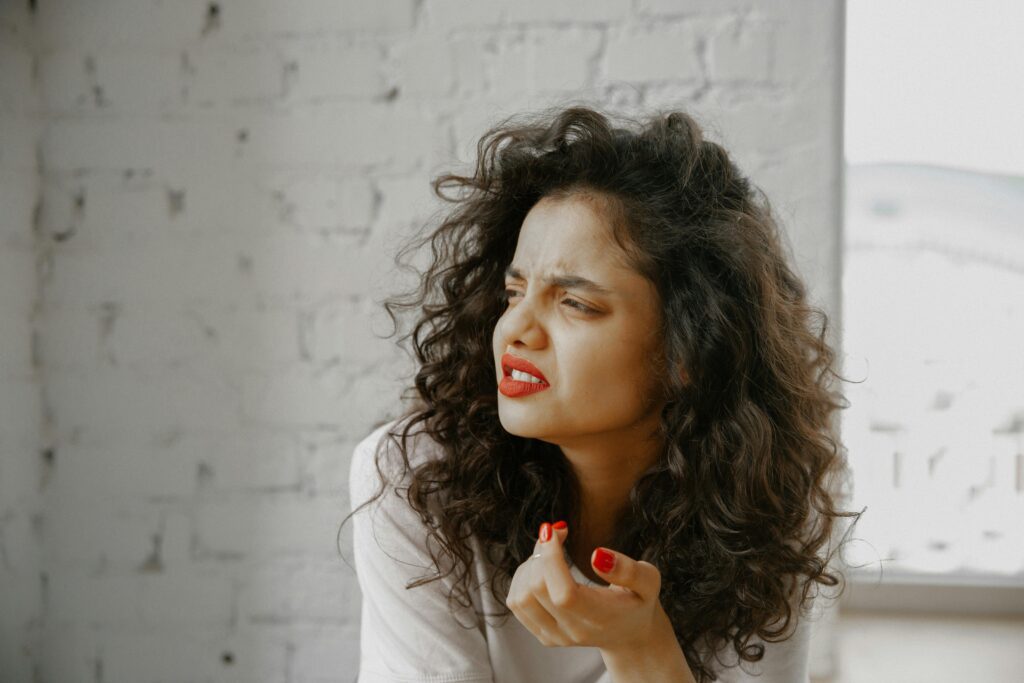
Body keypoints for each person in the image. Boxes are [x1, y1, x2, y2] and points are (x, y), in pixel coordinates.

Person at [342, 104, 861, 683]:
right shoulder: (413, 480)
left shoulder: (769, 494)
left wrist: (639, 648)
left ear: (689, 351)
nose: (515, 330)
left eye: (575, 303)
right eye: (514, 293)